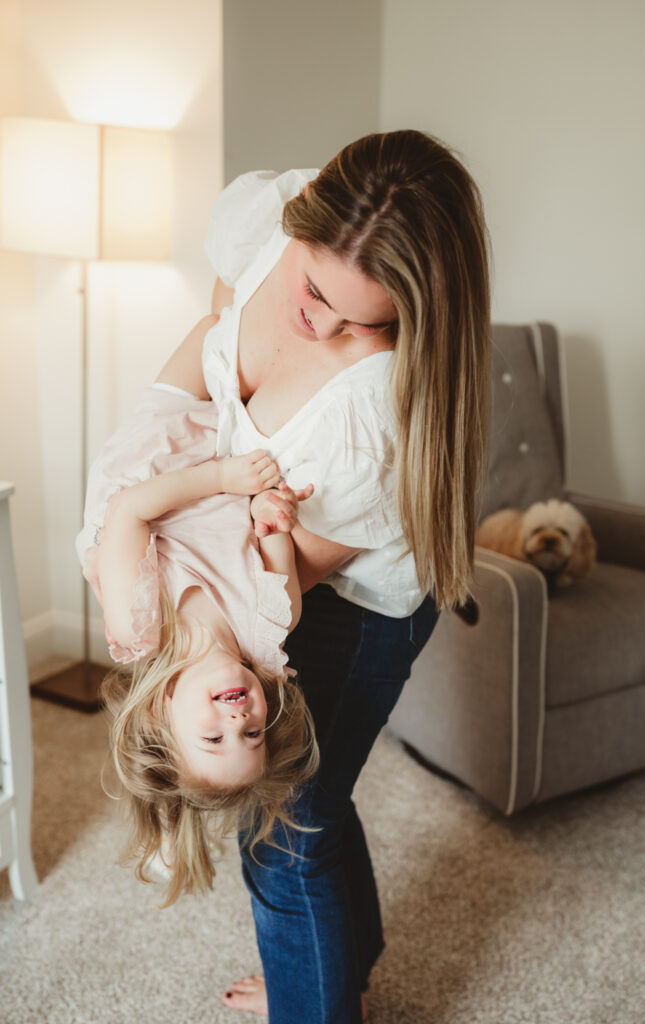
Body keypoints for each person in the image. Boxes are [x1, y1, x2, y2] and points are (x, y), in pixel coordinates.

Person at [159, 129, 491, 1022]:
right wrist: (144, 452)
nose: (321, 325)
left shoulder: (375, 418)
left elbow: (277, 582)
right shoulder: (262, 216)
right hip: (257, 545)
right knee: (316, 804)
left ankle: (318, 999)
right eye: (312, 291)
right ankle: (337, 969)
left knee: (282, 827)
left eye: (364, 320)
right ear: (298, 221)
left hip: (348, 602)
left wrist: (159, 557)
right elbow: (210, 340)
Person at [76, 382, 317, 908]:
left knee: (212, 317)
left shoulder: (138, 624)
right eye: (254, 734)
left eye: (213, 741)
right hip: (233, 449)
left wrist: (221, 477)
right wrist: (273, 512)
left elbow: (130, 512)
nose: (238, 725)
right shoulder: (275, 621)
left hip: (160, 445)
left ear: (164, 712)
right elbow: (269, 526)